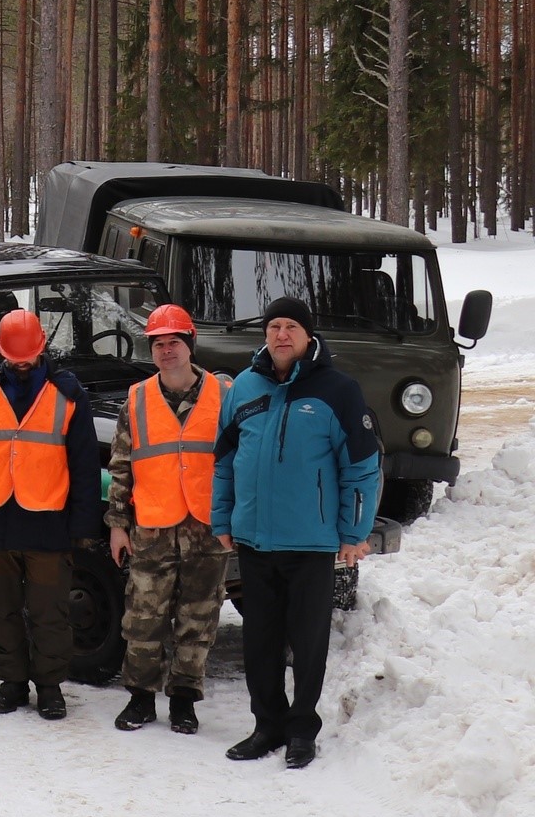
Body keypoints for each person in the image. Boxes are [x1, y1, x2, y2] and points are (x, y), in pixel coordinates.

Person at [213, 296, 381, 768]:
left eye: (291, 327)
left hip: (311, 542)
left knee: (308, 643)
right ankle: (267, 725)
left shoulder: (338, 391)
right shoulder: (243, 387)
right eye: (274, 327)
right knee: (259, 640)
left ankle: (302, 730)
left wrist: (354, 531)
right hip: (255, 541)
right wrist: (222, 518)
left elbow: (363, 468)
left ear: (308, 336)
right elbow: (224, 460)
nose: (281, 335)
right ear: (265, 335)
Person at [0, 308, 102, 721]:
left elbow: (85, 464)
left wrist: (83, 523)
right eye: (13, 355)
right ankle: (12, 681)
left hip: (47, 519)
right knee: (1, 607)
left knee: (51, 609)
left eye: (27, 355)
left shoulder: (69, 395)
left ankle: (49, 686)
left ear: (41, 349)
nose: (20, 362)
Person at [105, 304, 231, 735]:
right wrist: (118, 525)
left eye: (173, 342)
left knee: (198, 618)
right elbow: (121, 466)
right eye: (158, 344)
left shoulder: (223, 395)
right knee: (143, 618)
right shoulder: (136, 399)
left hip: (206, 527)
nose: (166, 351)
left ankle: (184, 701)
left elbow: (238, 461)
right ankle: (140, 699)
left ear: (189, 345)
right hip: (152, 527)